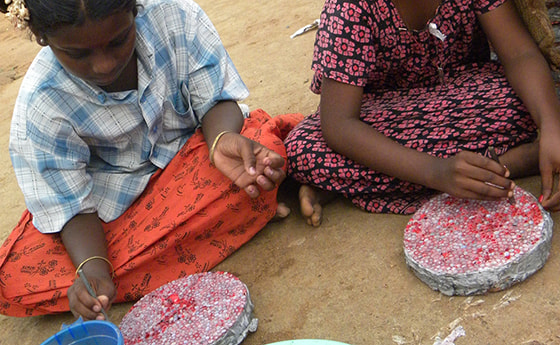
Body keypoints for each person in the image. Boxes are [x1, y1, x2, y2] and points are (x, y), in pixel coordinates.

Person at [0, 0, 302, 319]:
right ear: (42, 38)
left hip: (198, 161)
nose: (103, 65)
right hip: (116, 211)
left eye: (118, 40)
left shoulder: (176, 18)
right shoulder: (39, 105)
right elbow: (69, 206)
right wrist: (93, 267)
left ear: (135, 10)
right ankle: (246, 213)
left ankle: (218, 224)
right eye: (78, 54)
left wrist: (221, 140)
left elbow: (216, 100)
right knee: (12, 281)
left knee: (263, 149)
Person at [285, 0, 560, 226]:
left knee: (517, 103)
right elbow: (339, 124)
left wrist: (550, 125)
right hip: (387, 113)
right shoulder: (347, 7)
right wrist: (436, 172)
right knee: (304, 148)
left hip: (466, 96)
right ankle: (517, 160)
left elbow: (520, 55)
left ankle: (350, 184)